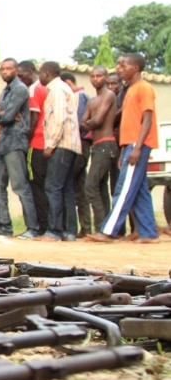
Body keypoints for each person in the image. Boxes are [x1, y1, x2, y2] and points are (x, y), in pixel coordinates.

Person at [86, 53, 160, 244]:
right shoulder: (131, 89)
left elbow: (147, 119)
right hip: (130, 144)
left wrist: (137, 147)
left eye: (122, 65)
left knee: (123, 189)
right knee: (139, 189)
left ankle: (108, 230)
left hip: (138, 144)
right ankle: (149, 233)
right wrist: (124, 149)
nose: (118, 68)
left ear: (135, 68)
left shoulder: (143, 88)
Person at [0, 58, 39, 239]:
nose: (4, 72)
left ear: (16, 70)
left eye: (8, 68)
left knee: (19, 186)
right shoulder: (4, 91)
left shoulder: (20, 89)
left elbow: (7, 115)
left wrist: (2, 114)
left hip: (15, 142)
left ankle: (32, 227)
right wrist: (0, 114)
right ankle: (4, 226)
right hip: (2, 142)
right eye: (2, 69)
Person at [35, 61, 81, 242]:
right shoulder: (63, 88)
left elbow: (60, 118)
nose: (39, 77)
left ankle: (54, 231)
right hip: (69, 144)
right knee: (66, 188)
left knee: (52, 186)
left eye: (40, 73)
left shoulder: (57, 90)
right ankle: (69, 232)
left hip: (61, 145)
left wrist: (51, 144)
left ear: (46, 73)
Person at [81, 66, 118, 234]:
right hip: (96, 147)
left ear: (105, 77)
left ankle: (102, 228)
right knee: (100, 187)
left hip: (106, 144)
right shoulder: (91, 101)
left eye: (99, 76)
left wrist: (90, 122)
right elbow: (84, 123)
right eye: (93, 76)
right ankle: (105, 228)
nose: (95, 79)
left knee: (90, 185)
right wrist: (91, 122)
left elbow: (99, 120)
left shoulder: (109, 95)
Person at [18, 60, 49, 235]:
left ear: (30, 72)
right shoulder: (46, 88)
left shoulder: (34, 89)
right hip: (47, 143)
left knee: (36, 185)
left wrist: (26, 140)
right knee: (46, 186)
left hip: (37, 143)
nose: (20, 79)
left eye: (21, 75)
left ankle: (41, 226)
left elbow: (34, 118)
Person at [62, 72, 92, 236]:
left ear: (67, 83)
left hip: (79, 144)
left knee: (68, 184)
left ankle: (70, 226)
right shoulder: (82, 95)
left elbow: (78, 123)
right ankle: (85, 228)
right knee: (80, 187)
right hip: (82, 145)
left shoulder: (78, 96)